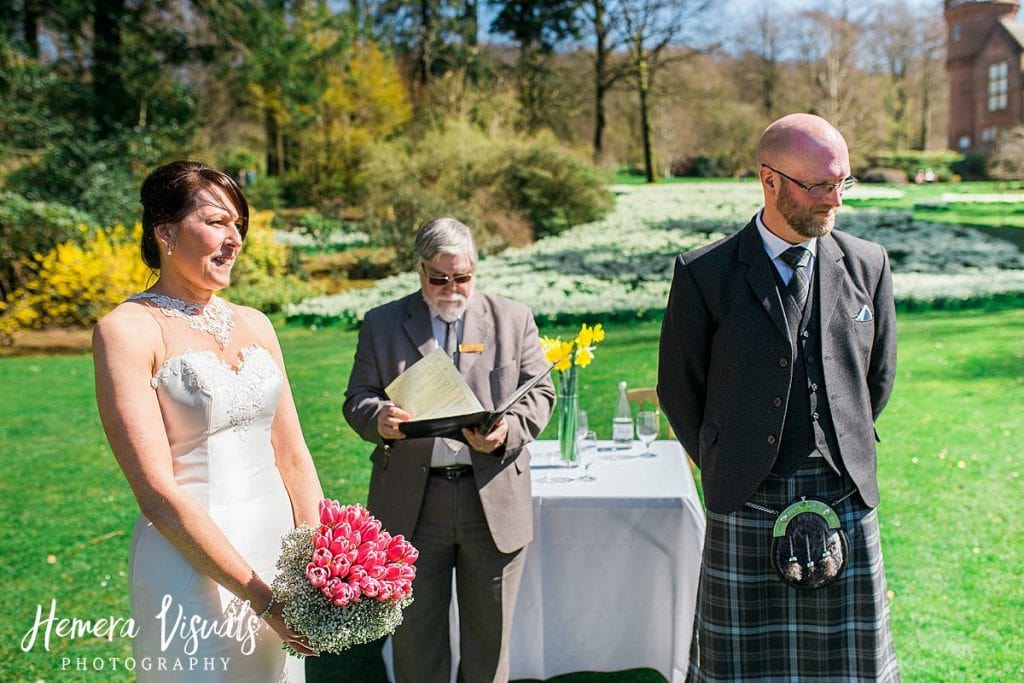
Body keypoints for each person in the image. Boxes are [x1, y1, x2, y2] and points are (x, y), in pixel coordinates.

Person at [658, 113, 900, 681]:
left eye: (843, 181)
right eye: (818, 185)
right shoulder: (705, 273)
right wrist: (727, 455)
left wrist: (841, 431)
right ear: (770, 181)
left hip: (843, 486)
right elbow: (679, 387)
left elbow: (878, 376)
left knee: (849, 668)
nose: (835, 199)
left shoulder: (868, 264)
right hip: (745, 492)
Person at [93, 160, 323, 681]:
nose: (235, 238)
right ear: (166, 232)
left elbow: (292, 453)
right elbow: (155, 491)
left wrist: (317, 561)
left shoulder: (256, 324)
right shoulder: (127, 330)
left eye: (239, 225)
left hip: (279, 553)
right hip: (189, 559)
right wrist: (261, 599)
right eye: (218, 221)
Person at [344, 217, 554, 683]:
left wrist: (506, 433)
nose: (451, 288)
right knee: (416, 644)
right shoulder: (382, 323)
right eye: (439, 278)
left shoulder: (512, 317)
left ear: (475, 269)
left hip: (492, 499)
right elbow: (357, 397)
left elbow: (541, 393)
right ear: (419, 270)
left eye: (462, 277)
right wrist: (377, 417)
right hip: (412, 505)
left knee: (489, 645)